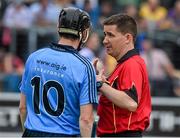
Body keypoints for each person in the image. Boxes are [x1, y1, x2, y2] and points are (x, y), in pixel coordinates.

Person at [19, 7, 98, 137]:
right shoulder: (85, 66)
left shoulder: (33, 57)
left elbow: (23, 108)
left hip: (31, 133)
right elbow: (86, 120)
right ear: (84, 33)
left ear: (58, 27)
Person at [94, 14, 151, 137]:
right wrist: (104, 81)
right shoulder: (124, 64)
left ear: (127, 38)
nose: (104, 40)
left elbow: (130, 102)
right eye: (105, 35)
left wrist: (100, 84)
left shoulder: (132, 64)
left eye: (110, 35)